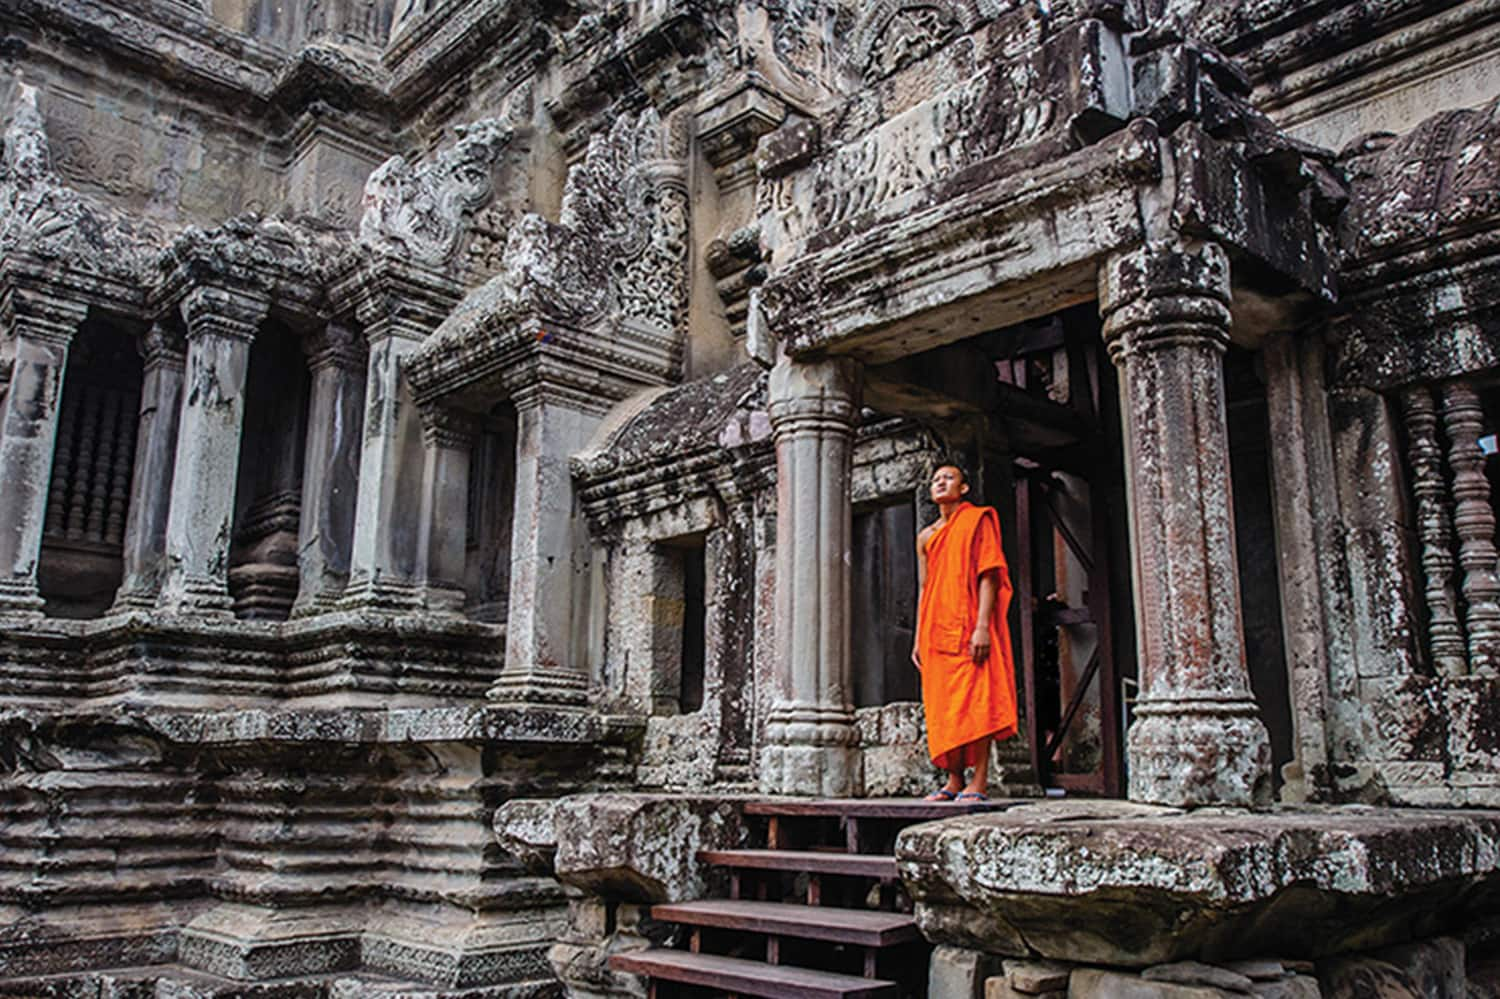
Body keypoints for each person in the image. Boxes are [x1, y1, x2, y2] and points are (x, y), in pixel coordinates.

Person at [911, 462, 1019, 801]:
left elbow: (989, 575)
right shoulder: (927, 536)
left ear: (964, 488)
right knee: (944, 706)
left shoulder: (978, 520)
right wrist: (918, 636)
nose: (941, 482)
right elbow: (925, 587)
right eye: (936, 479)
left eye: (949, 478)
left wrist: (983, 627)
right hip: (936, 628)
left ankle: (979, 781)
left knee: (977, 702)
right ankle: (953, 780)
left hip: (971, 622)